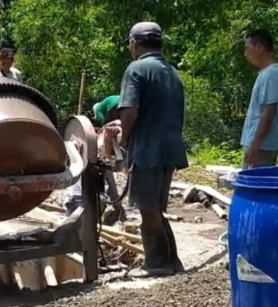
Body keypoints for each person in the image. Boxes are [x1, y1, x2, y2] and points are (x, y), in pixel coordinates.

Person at [118, 22, 188, 276]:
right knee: (157, 207)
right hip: (170, 149)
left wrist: (123, 138)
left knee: (147, 209)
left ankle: (157, 264)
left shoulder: (136, 69)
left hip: (147, 148)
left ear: (135, 43)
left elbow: (130, 110)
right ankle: (172, 261)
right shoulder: (171, 71)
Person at [62, 95, 124, 220]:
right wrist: (118, 206)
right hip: (86, 201)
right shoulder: (94, 158)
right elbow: (111, 184)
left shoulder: (101, 109)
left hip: (76, 200)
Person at [241, 31, 278, 169]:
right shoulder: (268, 73)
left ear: (259, 47)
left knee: (252, 187)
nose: (245, 54)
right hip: (260, 146)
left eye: (247, 48)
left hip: (261, 147)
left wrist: (255, 143)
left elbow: (269, 112)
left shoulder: (271, 74)